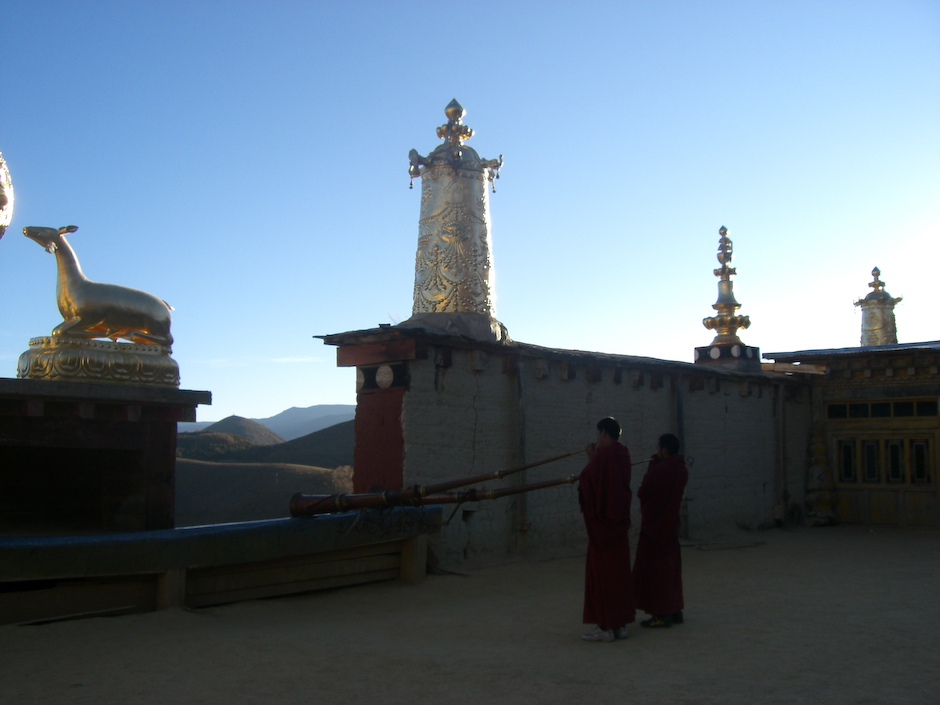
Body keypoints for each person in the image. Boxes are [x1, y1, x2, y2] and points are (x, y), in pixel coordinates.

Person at [578, 417, 635, 642]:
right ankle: (619, 625)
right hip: (619, 526)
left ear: (604, 433)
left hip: (603, 528)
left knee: (602, 576)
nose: (598, 439)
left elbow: (588, 481)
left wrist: (591, 459)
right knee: (619, 575)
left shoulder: (604, 457)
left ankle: (605, 627)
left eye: (599, 434)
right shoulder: (623, 454)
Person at [633, 433, 689, 628]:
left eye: (658, 448)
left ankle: (660, 614)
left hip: (655, 529)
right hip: (671, 527)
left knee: (656, 573)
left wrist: (653, 467)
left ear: (665, 451)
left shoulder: (660, 470)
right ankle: (674, 610)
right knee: (671, 571)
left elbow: (643, 492)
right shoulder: (682, 470)